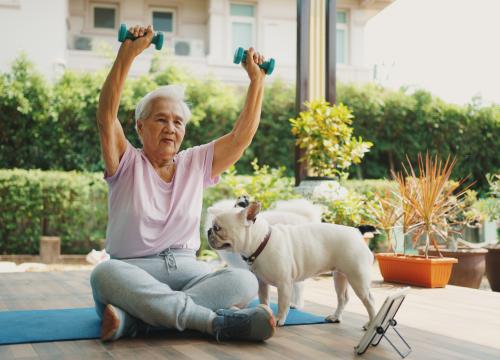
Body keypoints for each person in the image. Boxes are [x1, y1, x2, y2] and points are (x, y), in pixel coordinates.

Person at [90, 25, 274, 342]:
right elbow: (107, 115)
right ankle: (212, 322)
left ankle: (135, 321)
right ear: (140, 126)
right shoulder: (126, 161)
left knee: (243, 281)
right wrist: (128, 53)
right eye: (161, 119)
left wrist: (257, 80)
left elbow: (241, 138)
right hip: (134, 273)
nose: (171, 129)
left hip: (189, 272)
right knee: (104, 274)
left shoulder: (195, 162)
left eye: (178, 122)